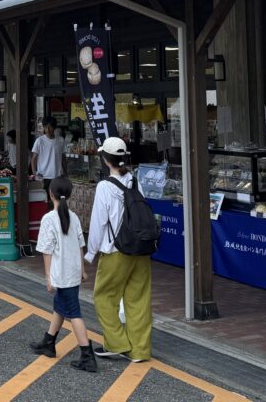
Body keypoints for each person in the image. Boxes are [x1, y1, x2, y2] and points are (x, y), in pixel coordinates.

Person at [86, 137, 151, 363]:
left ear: (105, 160)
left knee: (104, 296)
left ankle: (116, 343)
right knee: (139, 299)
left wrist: (90, 252)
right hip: (140, 250)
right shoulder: (134, 181)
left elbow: (98, 223)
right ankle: (140, 350)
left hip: (115, 251)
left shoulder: (105, 187)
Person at [29, 176, 96, 372]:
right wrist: (82, 270)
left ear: (50, 194)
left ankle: (87, 355)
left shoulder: (49, 219)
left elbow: (46, 251)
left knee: (74, 312)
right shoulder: (73, 217)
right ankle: (48, 342)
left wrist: (49, 278)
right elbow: (80, 245)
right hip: (73, 271)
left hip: (61, 272)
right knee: (61, 306)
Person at [31, 117, 66, 203]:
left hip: (57, 175)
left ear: (54, 127)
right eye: (45, 127)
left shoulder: (61, 140)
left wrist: (65, 172)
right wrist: (35, 173)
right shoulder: (39, 141)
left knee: (56, 200)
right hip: (43, 176)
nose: (48, 129)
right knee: (44, 200)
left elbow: (63, 158)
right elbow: (33, 159)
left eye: (50, 127)